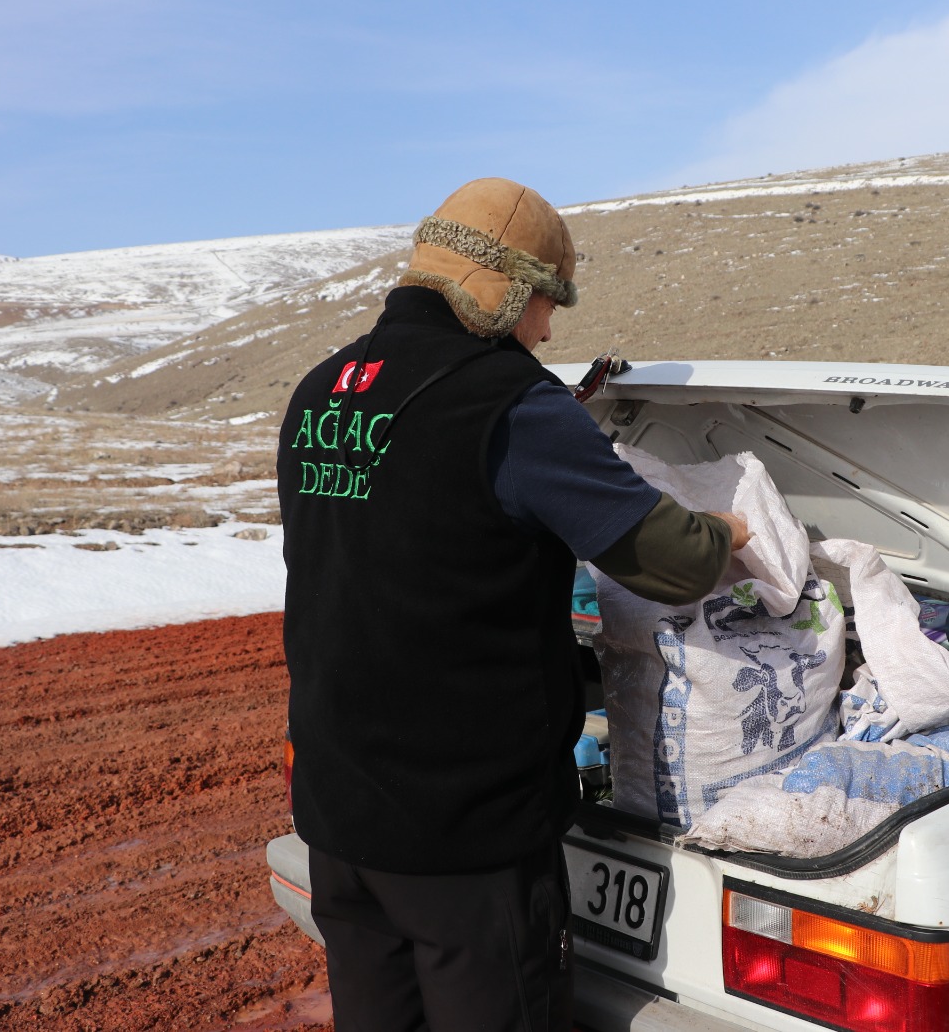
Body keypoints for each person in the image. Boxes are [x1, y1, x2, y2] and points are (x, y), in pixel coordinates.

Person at [276, 177, 748, 1032]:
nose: (549, 329)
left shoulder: (320, 392)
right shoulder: (509, 403)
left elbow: (395, 549)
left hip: (339, 814)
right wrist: (733, 529)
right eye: (544, 303)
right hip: (466, 836)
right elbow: (672, 565)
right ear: (503, 292)